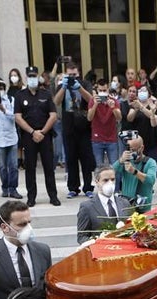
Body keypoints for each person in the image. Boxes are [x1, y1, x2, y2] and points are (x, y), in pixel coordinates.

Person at [14, 65, 60, 207]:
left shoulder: (45, 94)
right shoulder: (20, 95)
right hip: (29, 136)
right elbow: (18, 117)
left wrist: (42, 132)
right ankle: (31, 197)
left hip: (45, 135)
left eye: (34, 76)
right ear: (26, 77)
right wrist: (33, 132)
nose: (32, 79)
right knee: (30, 167)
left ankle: (53, 196)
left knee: (48, 166)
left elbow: (53, 115)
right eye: (30, 76)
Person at [52, 60, 95, 199]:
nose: (72, 77)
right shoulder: (62, 85)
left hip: (84, 127)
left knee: (86, 159)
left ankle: (88, 187)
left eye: (74, 75)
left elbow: (90, 100)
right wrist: (64, 87)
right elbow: (56, 102)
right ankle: (73, 187)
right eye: (70, 75)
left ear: (79, 73)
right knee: (71, 159)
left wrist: (78, 88)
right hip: (68, 127)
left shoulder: (85, 83)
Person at [77, 164, 132, 243]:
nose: (110, 183)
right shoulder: (87, 207)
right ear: (97, 182)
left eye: (113, 179)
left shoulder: (124, 203)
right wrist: (97, 241)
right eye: (105, 180)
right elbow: (81, 237)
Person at [115, 130, 157, 208]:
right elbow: (111, 172)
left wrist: (134, 171)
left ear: (142, 148)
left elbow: (151, 180)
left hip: (143, 207)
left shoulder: (150, 162)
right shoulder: (126, 160)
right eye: (129, 149)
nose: (131, 152)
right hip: (127, 205)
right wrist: (120, 160)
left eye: (133, 150)